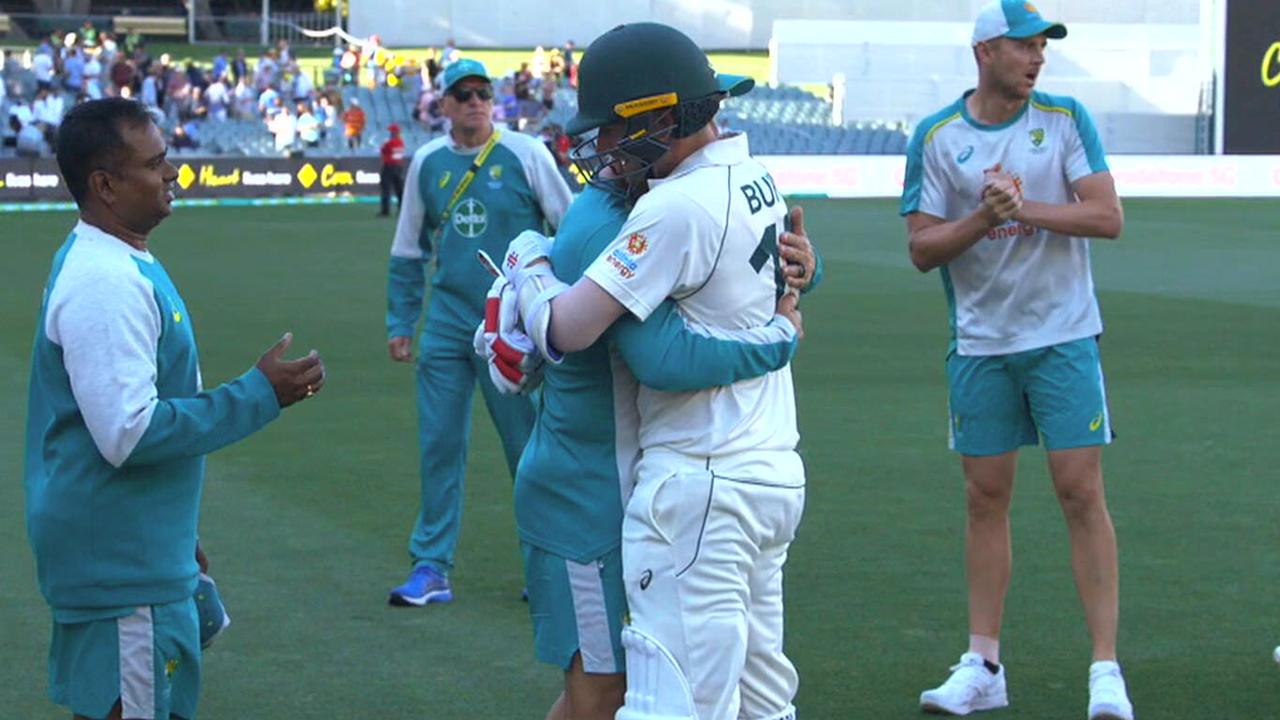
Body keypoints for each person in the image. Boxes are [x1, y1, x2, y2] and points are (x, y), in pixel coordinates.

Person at [496, 22, 815, 720]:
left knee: (660, 699)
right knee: (706, 695)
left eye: (613, 129)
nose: (601, 149)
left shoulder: (663, 206)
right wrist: (785, 323)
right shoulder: (751, 177)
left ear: (666, 117)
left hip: (688, 481)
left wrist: (528, 263)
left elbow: (595, 336)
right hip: (638, 482)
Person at [24, 98, 326, 720]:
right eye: (155, 163)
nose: (172, 174)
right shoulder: (105, 282)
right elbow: (128, 434)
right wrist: (258, 394)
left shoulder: (116, 259)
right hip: (120, 569)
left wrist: (174, 535)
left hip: (129, 550)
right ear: (105, 185)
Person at [899, 2, 1130, 718]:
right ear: (986, 51)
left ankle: (1104, 669)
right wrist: (985, 217)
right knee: (983, 498)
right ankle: (984, 663)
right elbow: (921, 247)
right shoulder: (938, 137)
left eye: (1042, 48)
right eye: (1024, 47)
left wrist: (1022, 210)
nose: (1037, 59)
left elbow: (1106, 217)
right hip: (981, 343)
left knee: (1079, 492)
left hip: (1063, 336)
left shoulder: (1064, 120)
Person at [385, 58, 573, 607]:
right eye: (462, 93)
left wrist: (558, 308)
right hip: (445, 323)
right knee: (439, 444)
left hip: (512, 327)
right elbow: (408, 249)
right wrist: (401, 321)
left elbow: (570, 227)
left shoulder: (525, 153)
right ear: (441, 104)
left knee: (528, 447)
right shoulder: (427, 162)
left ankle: (549, 563)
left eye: (483, 93)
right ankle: (430, 566)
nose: (474, 101)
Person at [378, 122, 406, 217]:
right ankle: (402, 209)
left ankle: (385, 210)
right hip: (398, 166)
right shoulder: (401, 142)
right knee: (399, 189)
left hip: (389, 166)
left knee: (386, 188)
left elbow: (383, 150)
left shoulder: (390, 142)